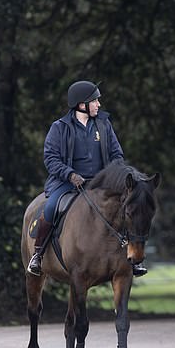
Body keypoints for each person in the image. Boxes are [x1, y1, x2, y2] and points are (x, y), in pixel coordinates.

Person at [27, 80, 148, 277]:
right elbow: (50, 158)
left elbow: (117, 154)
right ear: (82, 104)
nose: (99, 104)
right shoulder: (59, 128)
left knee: (129, 208)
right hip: (67, 183)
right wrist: (70, 174)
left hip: (101, 184)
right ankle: (38, 254)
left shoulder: (104, 124)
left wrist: (113, 172)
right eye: (95, 101)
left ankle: (132, 259)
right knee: (49, 209)